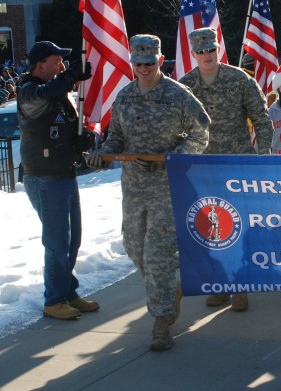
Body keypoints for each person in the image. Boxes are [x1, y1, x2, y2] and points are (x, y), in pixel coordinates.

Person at [86, 35, 210, 351]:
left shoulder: (177, 95)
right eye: (138, 63)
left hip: (166, 187)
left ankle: (161, 321)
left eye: (149, 62)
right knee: (133, 246)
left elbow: (201, 132)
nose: (143, 68)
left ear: (160, 59)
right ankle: (169, 288)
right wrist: (102, 154)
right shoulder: (125, 98)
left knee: (157, 254)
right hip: (134, 188)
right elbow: (116, 139)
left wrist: (175, 156)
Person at [180, 27, 273, 312]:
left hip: (237, 165)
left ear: (218, 50)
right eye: (201, 51)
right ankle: (217, 283)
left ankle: (239, 284)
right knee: (210, 228)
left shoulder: (239, 79)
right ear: (193, 54)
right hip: (202, 168)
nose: (207, 55)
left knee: (238, 227)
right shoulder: (185, 86)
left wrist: (263, 156)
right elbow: (177, 128)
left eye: (211, 49)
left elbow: (262, 119)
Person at [18, 41, 97, 320]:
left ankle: (67, 292)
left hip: (63, 173)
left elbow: (62, 126)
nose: (62, 65)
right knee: (56, 242)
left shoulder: (59, 94)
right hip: (43, 177)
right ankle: (53, 300)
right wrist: (69, 78)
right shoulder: (28, 90)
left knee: (72, 238)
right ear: (41, 65)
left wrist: (80, 141)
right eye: (57, 61)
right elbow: (43, 96)